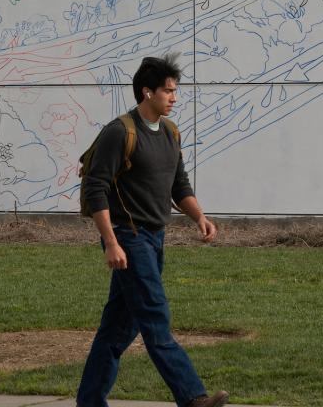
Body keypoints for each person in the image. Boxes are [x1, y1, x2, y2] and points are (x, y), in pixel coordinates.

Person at [77, 55, 228, 407]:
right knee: (155, 317)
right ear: (147, 92)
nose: (174, 97)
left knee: (118, 330)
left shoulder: (171, 132)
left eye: (175, 91)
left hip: (155, 238)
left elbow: (179, 184)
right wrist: (111, 243)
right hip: (128, 237)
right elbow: (94, 188)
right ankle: (192, 398)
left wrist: (199, 217)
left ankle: (89, 402)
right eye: (168, 91)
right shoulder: (120, 132)